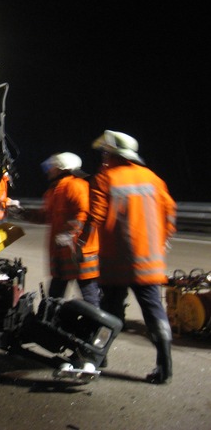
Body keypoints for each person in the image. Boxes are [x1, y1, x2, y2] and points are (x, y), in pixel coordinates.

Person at [78, 130, 177, 384]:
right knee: (154, 310)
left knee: (110, 311)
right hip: (150, 261)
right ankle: (164, 366)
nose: (103, 157)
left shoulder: (105, 177)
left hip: (116, 262)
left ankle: (96, 359)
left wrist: (81, 243)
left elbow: (95, 218)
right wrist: (162, 239)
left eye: (105, 152)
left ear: (113, 153)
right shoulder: (153, 179)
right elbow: (169, 212)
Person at [37, 152, 100, 307]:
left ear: (60, 168)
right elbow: (45, 216)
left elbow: (84, 213)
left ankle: (96, 328)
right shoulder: (54, 190)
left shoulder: (75, 185)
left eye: (52, 167)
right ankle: (48, 323)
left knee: (89, 296)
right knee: (53, 297)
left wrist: (71, 233)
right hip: (62, 254)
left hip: (79, 254)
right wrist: (18, 212)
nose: (49, 170)